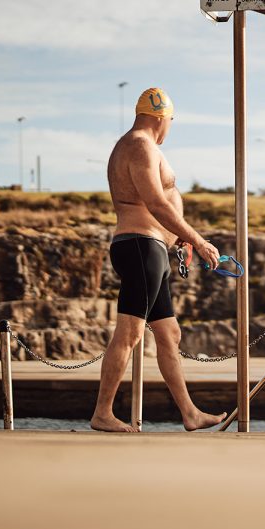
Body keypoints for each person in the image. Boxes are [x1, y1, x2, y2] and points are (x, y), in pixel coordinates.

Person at [91, 87, 226, 433]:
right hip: (140, 248)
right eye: (170, 122)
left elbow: (156, 204)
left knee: (169, 334)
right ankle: (103, 413)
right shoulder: (139, 145)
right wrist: (199, 239)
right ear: (161, 117)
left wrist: (176, 238)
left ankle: (189, 414)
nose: (169, 129)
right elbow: (155, 202)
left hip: (152, 249)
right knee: (130, 333)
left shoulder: (137, 145)